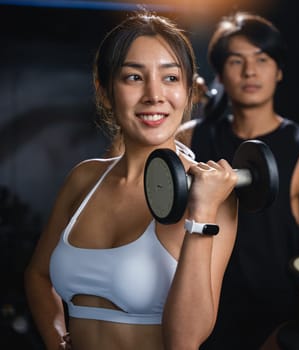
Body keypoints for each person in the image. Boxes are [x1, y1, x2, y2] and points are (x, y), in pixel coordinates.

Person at [24, 10, 239, 350]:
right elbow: (38, 276)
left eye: (170, 78)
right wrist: (56, 339)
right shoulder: (84, 178)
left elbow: (186, 340)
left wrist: (202, 214)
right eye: (134, 78)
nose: (154, 95)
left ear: (187, 91)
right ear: (106, 91)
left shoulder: (213, 197)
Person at [176, 11, 299, 349]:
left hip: (273, 316)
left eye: (262, 59)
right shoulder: (187, 140)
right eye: (236, 61)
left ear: (279, 70)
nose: (250, 71)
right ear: (220, 73)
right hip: (194, 306)